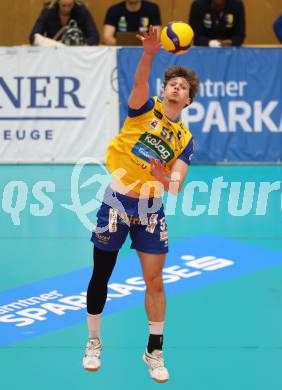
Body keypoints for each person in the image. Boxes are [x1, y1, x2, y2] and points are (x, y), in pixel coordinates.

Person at [82, 26, 200, 383]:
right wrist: (149, 53)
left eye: (183, 86)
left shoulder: (185, 140)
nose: (176, 88)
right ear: (164, 91)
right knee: (101, 273)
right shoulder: (142, 109)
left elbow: (176, 187)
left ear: (189, 100)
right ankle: (93, 341)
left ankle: (154, 350)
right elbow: (139, 83)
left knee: (156, 282)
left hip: (150, 209)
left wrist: (164, 176)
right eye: (172, 84)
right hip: (117, 199)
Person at [29, 0, 99, 45]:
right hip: (54, 53)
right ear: (58, 2)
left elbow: (95, 37)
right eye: (63, 6)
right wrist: (52, 43)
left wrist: (81, 44)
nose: (66, 9)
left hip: (76, 54)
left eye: (69, 6)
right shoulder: (48, 12)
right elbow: (33, 36)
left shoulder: (82, 11)